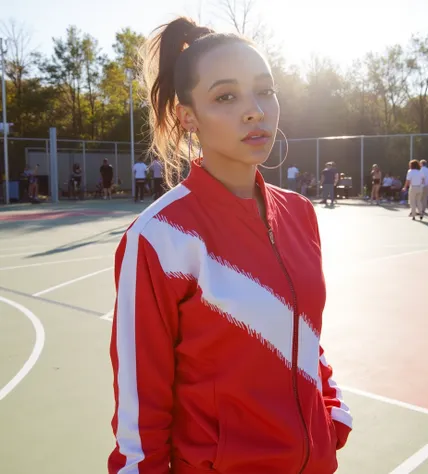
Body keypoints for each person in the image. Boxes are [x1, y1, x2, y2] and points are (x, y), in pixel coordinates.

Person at [108, 17, 352, 474]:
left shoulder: (301, 213)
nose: (255, 110)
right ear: (188, 117)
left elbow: (304, 331)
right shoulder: (160, 237)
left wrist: (330, 413)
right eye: (226, 96)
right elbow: (140, 407)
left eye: (265, 90)